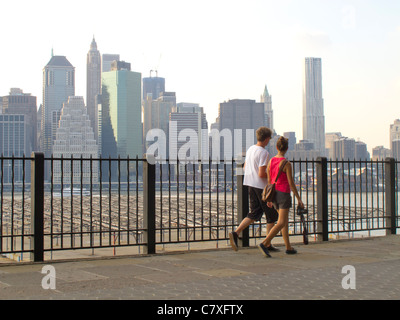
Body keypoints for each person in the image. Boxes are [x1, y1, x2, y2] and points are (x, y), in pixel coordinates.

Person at [229, 127, 279, 254]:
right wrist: (273, 176)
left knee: (254, 213)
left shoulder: (251, 149)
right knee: (271, 216)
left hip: (250, 184)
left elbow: (245, 167)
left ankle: (236, 232)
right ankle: (267, 244)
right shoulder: (264, 152)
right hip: (261, 187)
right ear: (267, 139)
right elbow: (262, 173)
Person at [258, 136, 304, 257]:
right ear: (287, 148)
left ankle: (288, 247)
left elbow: (269, 179)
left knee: (283, 222)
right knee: (282, 222)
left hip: (274, 194)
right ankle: (265, 242)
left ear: (277, 147)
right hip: (283, 194)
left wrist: (269, 198)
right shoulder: (286, 163)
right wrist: (298, 198)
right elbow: (291, 183)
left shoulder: (271, 161)